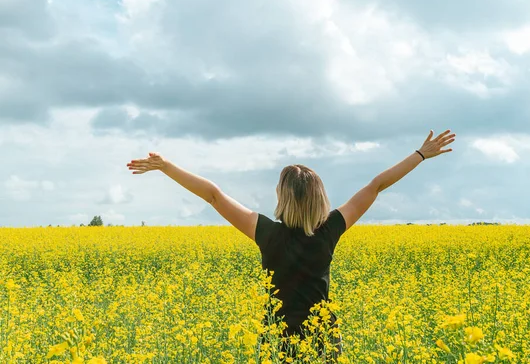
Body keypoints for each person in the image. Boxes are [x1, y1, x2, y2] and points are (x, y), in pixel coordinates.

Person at [126, 129, 456, 362]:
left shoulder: (266, 232)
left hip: (276, 338)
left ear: (282, 197)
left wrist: (166, 167)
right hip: (323, 338)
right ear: (320, 197)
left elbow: (213, 194)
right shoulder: (331, 230)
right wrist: (420, 155)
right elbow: (376, 185)